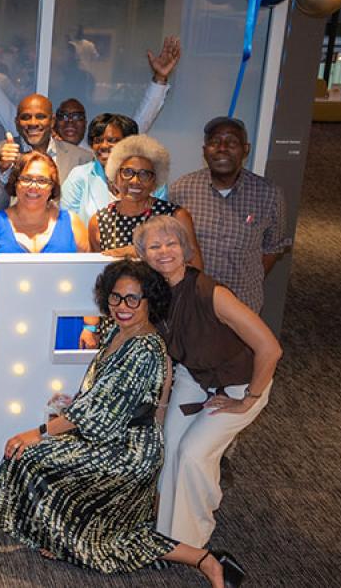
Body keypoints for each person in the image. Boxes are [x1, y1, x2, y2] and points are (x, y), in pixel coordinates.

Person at [0, 260, 246, 587]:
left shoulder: (145, 348)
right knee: (39, 464)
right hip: (112, 437)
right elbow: (103, 396)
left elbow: (100, 414)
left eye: (133, 299)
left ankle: (205, 559)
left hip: (129, 450)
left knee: (36, 462)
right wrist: (73, 404)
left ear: (150, 302)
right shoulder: (115, 331)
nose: (122, 306)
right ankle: (64, 538)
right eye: (116, 297)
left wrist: (37, 433)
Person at [134, 216, 280, 549]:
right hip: (195, 378)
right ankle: (166, 530)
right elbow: (171, 359)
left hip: (242, 384)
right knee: (169, 445)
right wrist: (162, 409)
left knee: (193, 454)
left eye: (171, 243)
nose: (164, 251)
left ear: (185, 249)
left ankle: (189, 541)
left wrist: (249, 399)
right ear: (145, 256)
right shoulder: (156, 295)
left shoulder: (211, 292)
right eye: (154, 246)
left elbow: (270, 348)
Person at [0, 151, 90, 356]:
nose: (33, 186)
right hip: (7, 326)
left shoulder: (73, 224)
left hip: (64, 325)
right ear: (15, 183)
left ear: (53, 187)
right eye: (26, 179)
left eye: (42, 180)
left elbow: (87, 278)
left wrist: (91, 325)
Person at [168, 116, 291, 313]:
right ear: (204, 150)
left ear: (246, 149)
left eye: (232, 142)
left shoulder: (269, 194)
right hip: (193, 302)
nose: (222, 148)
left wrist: (247, 277)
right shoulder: (181, 190)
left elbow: (273, 248)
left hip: (243, 302)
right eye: (215, 142)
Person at [0, 35, 182, 144]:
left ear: (86, 124)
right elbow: (8, 115)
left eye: (77, 117)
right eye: (64, 116)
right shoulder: (40, 146)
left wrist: (160, 79)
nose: (69, 121)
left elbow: (138, 126)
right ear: (53, 122)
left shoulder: (95, 153)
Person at [89, 134, 202, 267]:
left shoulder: (175, 217)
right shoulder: (99, 221)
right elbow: (95, 272)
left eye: (144, 174)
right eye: (127, 172)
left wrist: (137, 252)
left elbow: (196, 267)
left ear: (155, 182)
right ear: (115, 177)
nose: (135, 181)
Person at [0, 94, 93, 215]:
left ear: (52, 121)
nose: (33, 123)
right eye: (26, 117)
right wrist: (3, 171)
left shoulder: (82, 159)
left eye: (40, 116)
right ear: (17, 122)